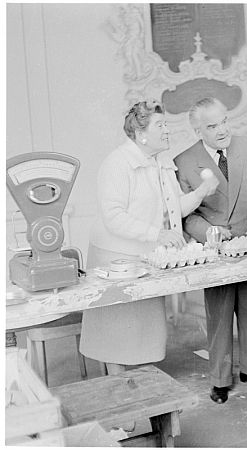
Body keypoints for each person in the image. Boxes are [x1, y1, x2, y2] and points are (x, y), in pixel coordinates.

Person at [80, 100, 219, 375]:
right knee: (115, 332)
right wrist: (158, 234)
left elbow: (173, 208)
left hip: (144, 257)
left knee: (142, 333)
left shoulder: (160, 163)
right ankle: (120, 394)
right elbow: (114, 217)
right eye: (160, 125)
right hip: (115, 259)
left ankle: (138, 388)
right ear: (141, 133)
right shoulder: (117, 163)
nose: (167, 130)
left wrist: (202, 191)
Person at [175, 97, 247, 403]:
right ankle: (220, 379)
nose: (222, 130)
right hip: (215, 250)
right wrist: (208, 233)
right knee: (218, 316)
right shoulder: (184, 161)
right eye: (212, 125)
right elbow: (184, 214)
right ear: (197, 129)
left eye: (224, 121)